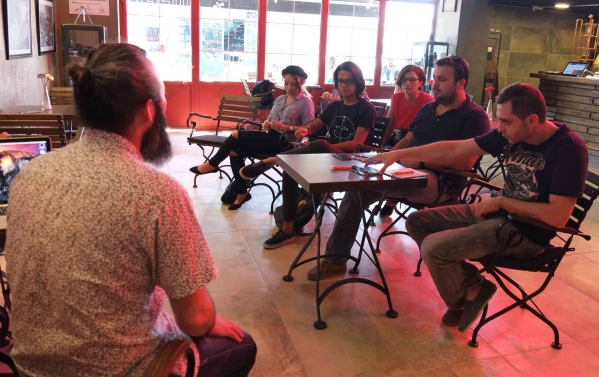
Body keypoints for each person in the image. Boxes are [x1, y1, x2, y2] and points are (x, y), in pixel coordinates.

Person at [5, 43, 257, 376]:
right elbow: (195, 319)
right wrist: (209, 321)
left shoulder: (29, 175)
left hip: (29, 367)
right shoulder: (158, 194)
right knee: (243, 345)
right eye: (163, 97)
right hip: (122, 370)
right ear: (151, 110)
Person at [366, 82, 588, 333]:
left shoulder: (568, 147)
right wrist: (397, 155)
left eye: (506, 122)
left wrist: (502, 201)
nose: (499, 128)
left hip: (526, 233)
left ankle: (459, 301)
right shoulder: (511, 133)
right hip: (498, 214)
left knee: (434, 248)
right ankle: (473, 285)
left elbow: (558, 216)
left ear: (532, 120)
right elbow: (455, 148)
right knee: (417, 222)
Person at [307, 55, 490, 281]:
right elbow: (408, 139)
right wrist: (388, 155)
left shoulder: (474, 116)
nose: (435, 84)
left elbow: (466, 163)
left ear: (461, 83)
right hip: (406, 170)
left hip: (440, 180)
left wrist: (420, 162)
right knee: (357, 186)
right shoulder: (428, 109)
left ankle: (334, 258)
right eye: (434, 78)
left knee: (361, 184)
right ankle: (335, 259)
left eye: (442, 79)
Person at [239, 61, 377, 249]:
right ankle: (287, 230)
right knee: (290, 168)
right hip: (327, 156)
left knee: (318, 144)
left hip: (352, 160)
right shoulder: (335, 106)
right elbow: (313, 126)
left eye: (349, 81)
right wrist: (306, 130)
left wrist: (325, 146)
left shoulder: (366, 108)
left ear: (358, 82)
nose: (344, 85)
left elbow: (356, 143)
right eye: (340, 81)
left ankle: (274, 160)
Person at [189, 65, 314, 210]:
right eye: (286, 83)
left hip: (286, 144)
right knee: (235, 151)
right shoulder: (280, 99)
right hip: (270, 138)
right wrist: (266, 124)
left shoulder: (305, 102)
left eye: (293, 84)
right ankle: (242, 193)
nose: (289, 87)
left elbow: (309, 128)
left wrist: (287, 128)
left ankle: (212, 164)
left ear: (301, 83)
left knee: (236, 135)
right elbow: (269, 120)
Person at [382, 65, 435, 148]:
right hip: (397, 139)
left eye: (412, 79)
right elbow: (389, 125)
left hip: (416, 143)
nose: (407, 83)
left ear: (420, 83)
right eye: (404, 79)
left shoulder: (428, 101)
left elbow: (425, 133)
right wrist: (382, 146)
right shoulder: (396, 97)